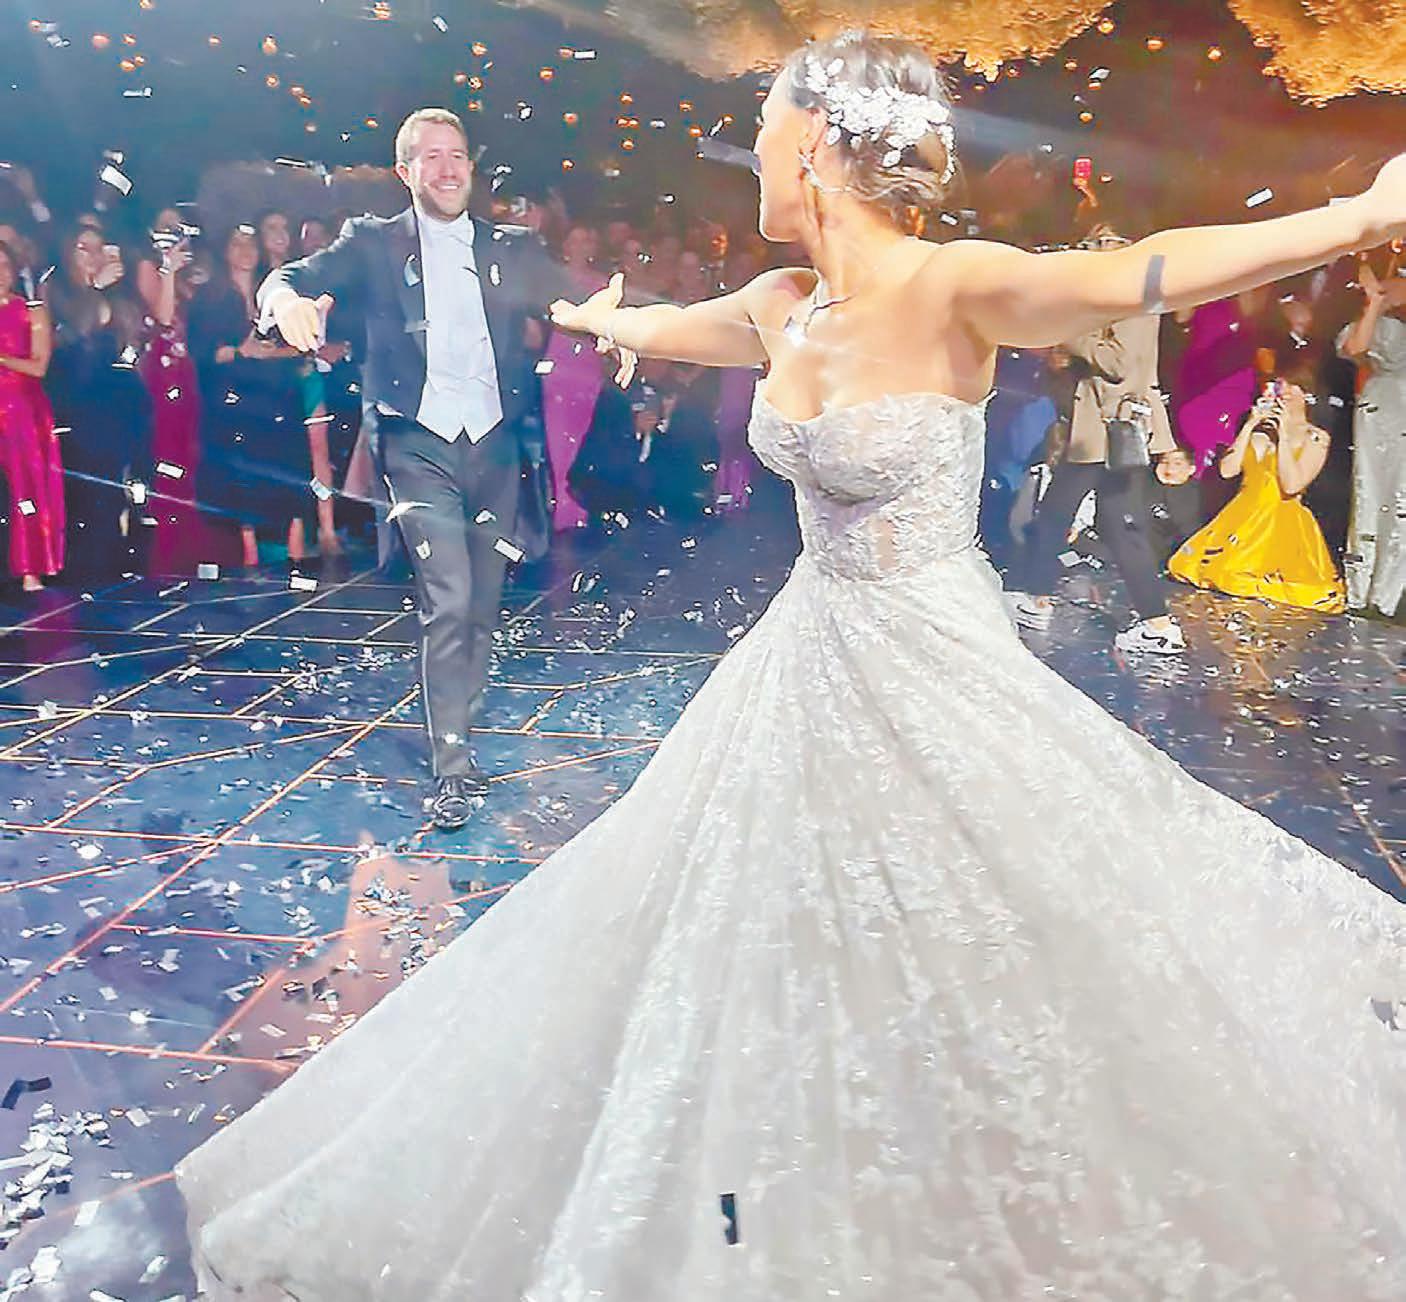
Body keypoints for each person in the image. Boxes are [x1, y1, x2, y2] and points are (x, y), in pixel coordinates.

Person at [177, 33, 1406, 1300]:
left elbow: (1141, 271)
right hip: (804, 656)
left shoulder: (951, 286)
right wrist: (586, 313)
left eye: (763, 125)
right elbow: (659, 324)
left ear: (813, 143)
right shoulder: (780, 303)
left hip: (934, 664)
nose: (750, 147)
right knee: (772, 928)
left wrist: (1355, 216)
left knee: (988, 931)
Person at [245, 108, 585, 831]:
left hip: (494, 444)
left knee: (483, 603)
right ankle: (451, 767)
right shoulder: (373, 242)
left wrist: (622, 328)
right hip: (418, 442)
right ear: (406, 172)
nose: (447, 167)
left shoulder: (511, 246)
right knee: (450, 597)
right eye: (431, 156)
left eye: (457, 154)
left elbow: (577, 300)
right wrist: (285, 300)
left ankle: (460, 727)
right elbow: (288, 277)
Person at [1006, 226, 1183, 653]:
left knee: (1057, 513)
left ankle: (1036, 597)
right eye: (1092, 243)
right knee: (1120, 526)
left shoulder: (1132, 298)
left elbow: (1118, 363)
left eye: (1105, 242)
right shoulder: (1133, 296)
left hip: (1105, 430)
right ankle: (1157, 624)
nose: (1095, 250)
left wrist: (1069, 336)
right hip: (1110, 428)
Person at [187, 223, 310, 572]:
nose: (245, 250)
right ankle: (249, 552)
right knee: (239, 472)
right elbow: (202, 351)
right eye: (236, 243)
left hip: (275, 393)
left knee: (288, 465)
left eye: (250, 243)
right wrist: (241, 351)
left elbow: (299, 345)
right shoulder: (211, 298)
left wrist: (269, 353)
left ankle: (296, 550)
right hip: (233, 396)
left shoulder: (274, 293)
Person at [1169, 382, 1345, 611]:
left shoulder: (1315, 437)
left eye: (1293, 386)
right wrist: (1250, 425)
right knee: (1188, 567)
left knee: (1236, 578)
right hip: (1240, 516)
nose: (1284, 392)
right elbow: (1227, 470)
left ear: (1307, 394)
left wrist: (1283, 434)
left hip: (1278, 520)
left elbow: (1292, 485)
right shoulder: (1258, 433)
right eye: (1280, 386)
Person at [1337, 260, 1406, 618]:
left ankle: (1391, 594)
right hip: (1381, 412)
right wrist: (1375, 303)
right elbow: (1355, 348)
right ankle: (1363, 588)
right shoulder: (1377, 322)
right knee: (1373, 494)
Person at [0, 240, 62, 589]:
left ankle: (30, 568)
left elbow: (39, 366)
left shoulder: (31, 312)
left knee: (25, 485)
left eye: (4, 265)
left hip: (21, 411)